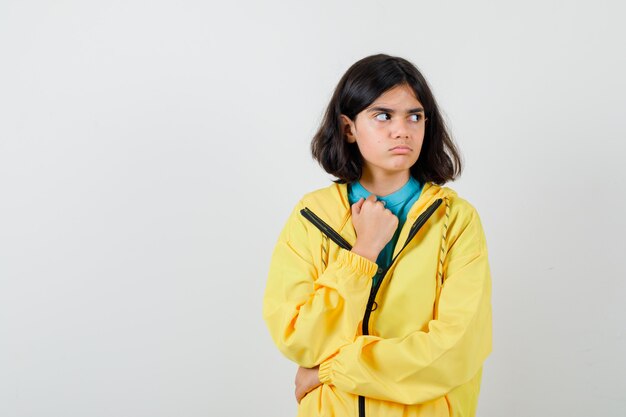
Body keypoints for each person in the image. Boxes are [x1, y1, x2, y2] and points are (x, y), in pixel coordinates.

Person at [263, 54, 492, 417]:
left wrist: (331, 369)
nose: (402, 130)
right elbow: (300, 339)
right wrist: (364, 250)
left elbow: (455, 351)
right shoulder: (311, 216)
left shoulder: (456, 219)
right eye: (383, 115)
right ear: (348, 127)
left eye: (414, 116)